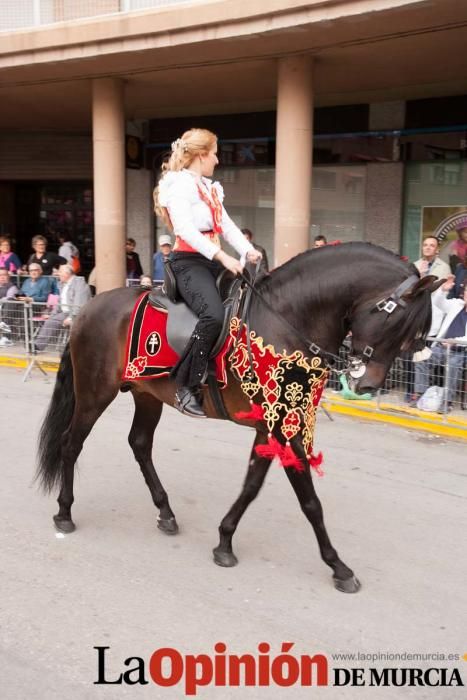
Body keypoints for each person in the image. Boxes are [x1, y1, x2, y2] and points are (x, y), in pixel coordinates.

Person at [154, 128, 261, 417]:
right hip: (187, 262)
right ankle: (185, 384)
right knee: (213, 314)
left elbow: (226, 225)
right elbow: (185, 230)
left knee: (247, 303)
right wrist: (224, 256)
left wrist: (246, 250)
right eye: (214, 153)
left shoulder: (209, 188)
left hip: (211, 260)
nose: (216, 159)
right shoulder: (179, 186)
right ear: (201, 155)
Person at [412, 276, 467, 411]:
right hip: (441, 347)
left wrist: (453, 342)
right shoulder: (457, 304)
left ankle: (447, 402)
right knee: (422, 358)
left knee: (453, 365)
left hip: (460, 351)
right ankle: (420, 395)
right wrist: (443, 290)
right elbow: (438, 303)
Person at [34, 264, 91, 352]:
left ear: (67, 273)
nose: (58, 274)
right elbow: (59, 303)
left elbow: (79, 304)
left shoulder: (80, 284)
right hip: (65, 313)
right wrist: (52, 315)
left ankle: (74, 351)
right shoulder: (63, 285)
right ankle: (37, 346)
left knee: (72, 327)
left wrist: (71, 318)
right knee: (50, 322)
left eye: (60, 272)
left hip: (79, 314)